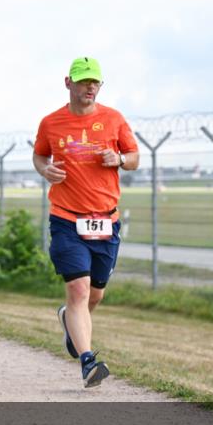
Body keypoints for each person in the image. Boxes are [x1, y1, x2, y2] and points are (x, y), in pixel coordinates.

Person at [32, 57, 139, 388]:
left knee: (94, 296)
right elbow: (40, 155)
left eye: (95, 82)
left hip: (106, 221)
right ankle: (88, 361)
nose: (89, 87)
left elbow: (134, 159)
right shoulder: (51, 123)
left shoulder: (114, 119)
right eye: (83, 81)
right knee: (77, 289)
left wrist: (119, 158)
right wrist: (44, 169)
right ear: (69, 83)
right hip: (66, 219)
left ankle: (70, 322)